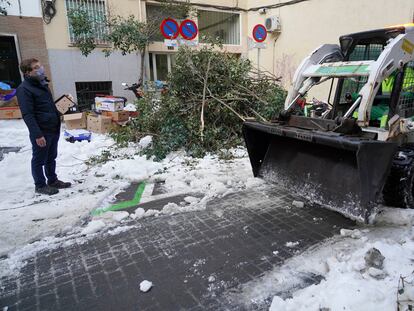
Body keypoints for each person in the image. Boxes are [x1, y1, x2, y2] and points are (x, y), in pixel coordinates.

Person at [16, 58, 71, 195]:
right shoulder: (24, 89)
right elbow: (28, 114)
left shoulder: (42, 84)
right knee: (39, 159)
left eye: (40, 66)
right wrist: (37, 135)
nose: (40, 69)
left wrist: (65, 103)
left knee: (51, 157)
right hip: (42, 130)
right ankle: (40, 185)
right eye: (36, 67)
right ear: (28, 72)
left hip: (53, 127)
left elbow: (48, 107)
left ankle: (52, 180)